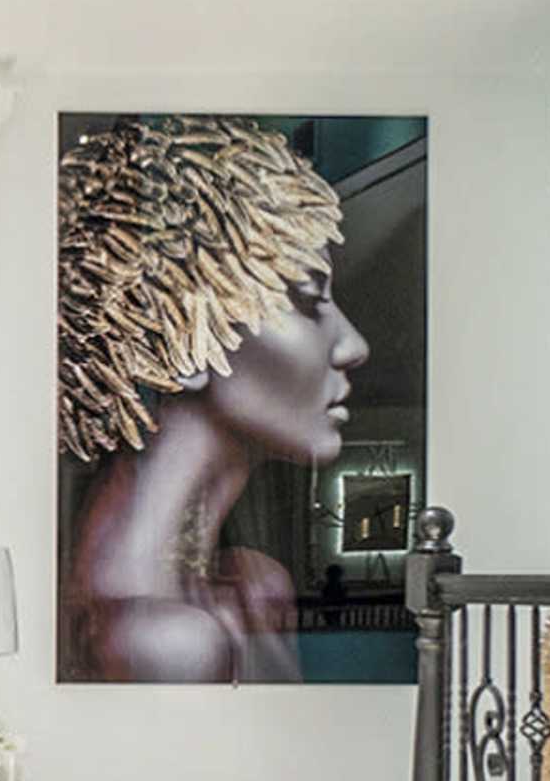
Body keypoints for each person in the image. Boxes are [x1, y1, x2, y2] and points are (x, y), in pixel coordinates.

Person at [58, 118, 367, 683]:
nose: (354, 346)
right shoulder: (164, 639)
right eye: (307, 298)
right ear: (185, 332)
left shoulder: (252, 587)